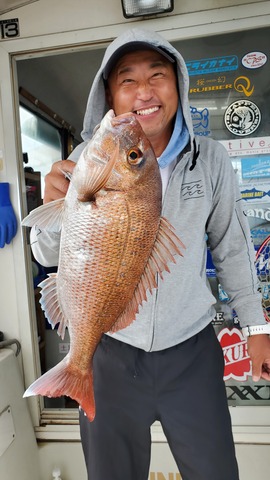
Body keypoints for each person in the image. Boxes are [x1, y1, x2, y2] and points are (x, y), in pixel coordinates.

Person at [30, 28, 270, 480]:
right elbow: (48, 254)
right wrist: (52, 205)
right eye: (127, 80)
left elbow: (233, 249)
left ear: (178, 84)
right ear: (109, 97)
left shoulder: (212, 159)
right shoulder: (84, 160)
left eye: (158, 75)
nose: (145, 91)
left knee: (217, 471)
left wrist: (255, 325)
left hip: (192, 354)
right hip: (109, 353)